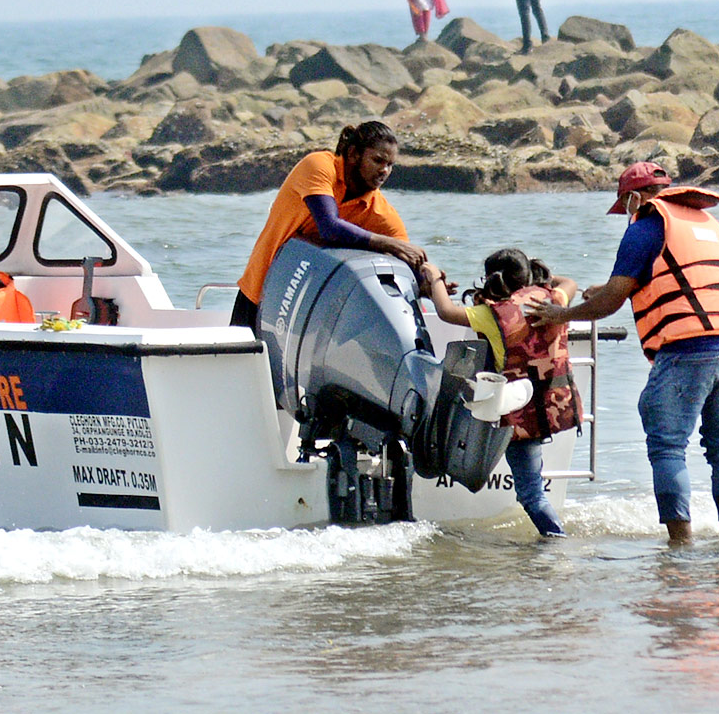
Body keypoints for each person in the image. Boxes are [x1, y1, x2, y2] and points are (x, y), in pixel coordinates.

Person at [529, 162, 719, 544]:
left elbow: (612, 302)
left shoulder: (647, 225)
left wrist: (559, 314)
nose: (626, 215)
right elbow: (682, 278)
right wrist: (607, 287)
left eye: (624, 206)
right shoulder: (703, 222)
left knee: (668, 445)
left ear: (634, 197)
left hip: (688, 348)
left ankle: (680, 543)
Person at [421, 248, 582, 537]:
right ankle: (554, 539)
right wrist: (539, 279)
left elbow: (445, 312)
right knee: (532, 486)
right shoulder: (552, 299)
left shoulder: (491, 314)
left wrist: (434, 279)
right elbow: (570, 282)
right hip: (548, 404)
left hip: (515, 408)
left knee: (531, 493)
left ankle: (556, 540)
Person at [232, 121, 426, 331]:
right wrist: (389, 244)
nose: (384, 171)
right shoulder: (319, 166)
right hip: (259, 290)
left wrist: (429, 281)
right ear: (353, 154)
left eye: (390, 165)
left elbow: (409, 257)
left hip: (304, 310)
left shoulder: (380, 211)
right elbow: (328, 226)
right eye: (377, 160)